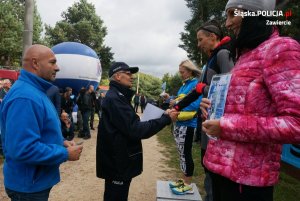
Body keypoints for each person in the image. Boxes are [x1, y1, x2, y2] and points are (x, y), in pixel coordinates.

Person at [200, 1, 300, 201]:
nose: (227, 24)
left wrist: (226, 126)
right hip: (218, 171)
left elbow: (295, 124)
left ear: (254, 14)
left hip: (247, 183)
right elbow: (244, 107)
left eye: (232, 15)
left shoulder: (281, 48)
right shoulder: (244, 56)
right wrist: (213, 109)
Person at [0, 44, 83, 201]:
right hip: (28, 187)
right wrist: (64, 154)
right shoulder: (25, 97)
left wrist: (61, 142)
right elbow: (23, 148)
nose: (57, 67)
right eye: (52, 62)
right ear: (35, 63)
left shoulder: (35, 91)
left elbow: (38, 131)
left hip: (32, 183)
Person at [96, 62, 178, 201]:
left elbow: (131, 125)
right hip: (117, 162)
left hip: (118, 159)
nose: (132, 77)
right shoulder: (115, 98)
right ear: (117, 76)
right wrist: (166, 119)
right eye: (128, 74)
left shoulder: (119, 96)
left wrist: (163, 115)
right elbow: (135, 130)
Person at [173, 20, 234, 201]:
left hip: (217, 124)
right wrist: (177, 106)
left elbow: (230, 88)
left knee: (214, 173)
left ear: (212, 36)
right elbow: (197, 90)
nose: (198, 44)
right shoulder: (211, 59)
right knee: (206, 164)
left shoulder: (223, 54)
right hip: (207, 123)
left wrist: (204, 90)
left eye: (200, 40)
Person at [168, 59, 202, 195]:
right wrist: (174, 102)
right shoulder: (184, 85)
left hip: (188, 124)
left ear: (189, 71)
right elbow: (179, 101)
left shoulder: (196, 84)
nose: (180, 74)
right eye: (180, 72)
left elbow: (194, 105)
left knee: (186, 153)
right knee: (181, 153)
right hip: (179, 123)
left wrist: (177, 105)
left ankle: (187, 183)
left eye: (182, 72)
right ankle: (183, 180)